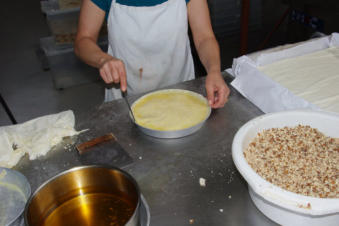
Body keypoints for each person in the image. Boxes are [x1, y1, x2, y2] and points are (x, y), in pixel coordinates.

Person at [74, 0, 230, 108]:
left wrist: (214, 70)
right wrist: (102, 60)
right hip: (125, 98)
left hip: (179, 90)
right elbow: (83, 40)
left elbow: (204, 37)